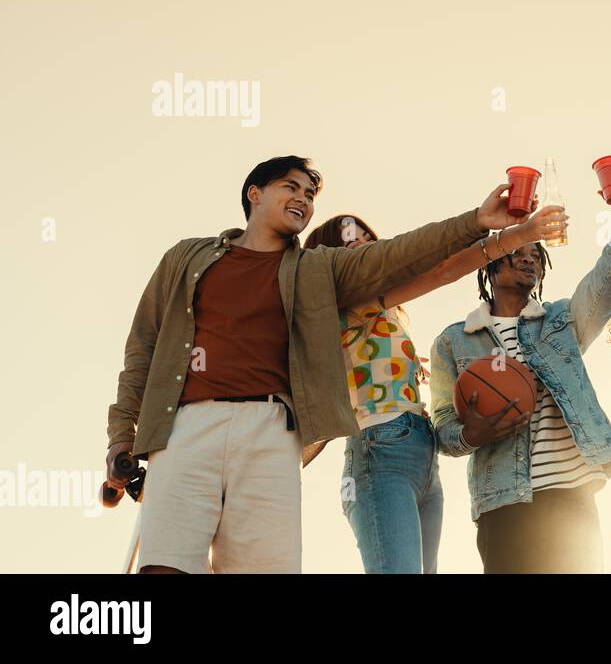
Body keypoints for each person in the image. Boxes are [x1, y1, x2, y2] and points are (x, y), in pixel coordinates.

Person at [104, 155, 526, 573]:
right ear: (255, 193)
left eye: (310, 194)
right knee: (164, 568)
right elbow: (143, 343)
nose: (303, 200)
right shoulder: (189, 258)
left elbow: (405, 256)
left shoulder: (316, 272)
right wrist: (121, 434)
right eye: (291, 187)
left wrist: (481, 223)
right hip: (187, 426)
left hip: (277, 430)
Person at [305, 205, 565, 573]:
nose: (366, 249)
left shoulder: (387, 317)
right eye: (352, 243)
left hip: (422, 452)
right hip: (379, 449)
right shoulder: (349, 303)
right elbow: (441, 271)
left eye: (369, 240)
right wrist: (516, 235)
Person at [429, 178, 611, 573]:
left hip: (569, 495)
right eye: (518, 251)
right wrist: (470, 435)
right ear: (491, 263)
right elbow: (444, 428)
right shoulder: (453, 343)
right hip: (501, 501)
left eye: (536, 254)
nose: (530, 259)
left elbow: (607, 282)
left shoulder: (561, 321)